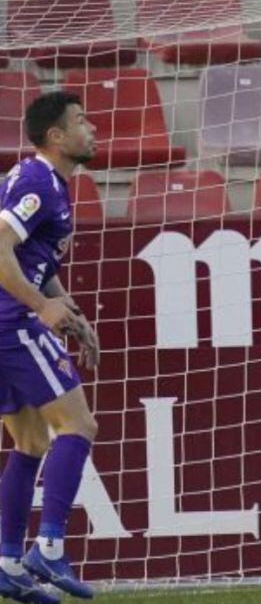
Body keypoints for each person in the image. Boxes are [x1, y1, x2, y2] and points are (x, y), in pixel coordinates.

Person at [0, 92, 101, 603]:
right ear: (56, 138)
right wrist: (41, 307)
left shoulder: (41, 182)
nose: (93, 128)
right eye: (81, 122)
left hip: (6, 320)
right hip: (11, 321)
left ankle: (9, 563)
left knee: (31, 443)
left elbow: (35, 255)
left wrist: (70, 310)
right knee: (79, 425)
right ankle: (51, 547)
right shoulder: (39, 181)